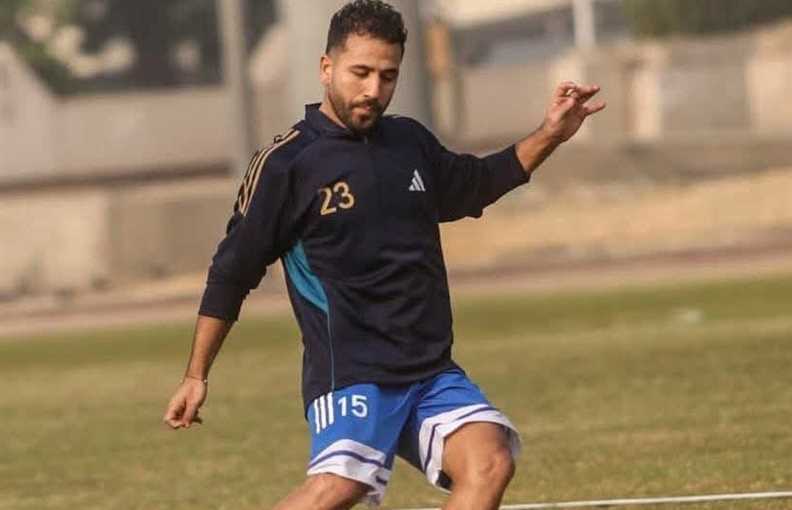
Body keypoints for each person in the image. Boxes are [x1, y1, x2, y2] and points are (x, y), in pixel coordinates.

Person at [163, 1, 605, 508]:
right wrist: (196, 375)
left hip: (429, 370)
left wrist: (550, 133)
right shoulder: (287, 165)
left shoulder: (409, 142)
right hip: (352, 373)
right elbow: (231, 274)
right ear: (326, 68)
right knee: (340, 486)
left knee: (490, 461)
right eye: (361, 73)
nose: (374, 89)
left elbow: (477, 184)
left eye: (388, 76)